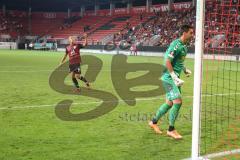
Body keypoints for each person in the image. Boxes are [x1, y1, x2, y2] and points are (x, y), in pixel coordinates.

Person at [149, 25, 194, 139]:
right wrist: (174, 76)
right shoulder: (176, 44)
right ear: (184, 33)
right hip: (169, 78)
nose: (192, 35)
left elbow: (178, 61)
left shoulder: (184, 46)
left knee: (169, 103)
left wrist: (185, 69)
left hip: (175, 78)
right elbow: (168, 61)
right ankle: (171, 130)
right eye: (191, 33)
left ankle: (153, 122)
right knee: (178, 102)